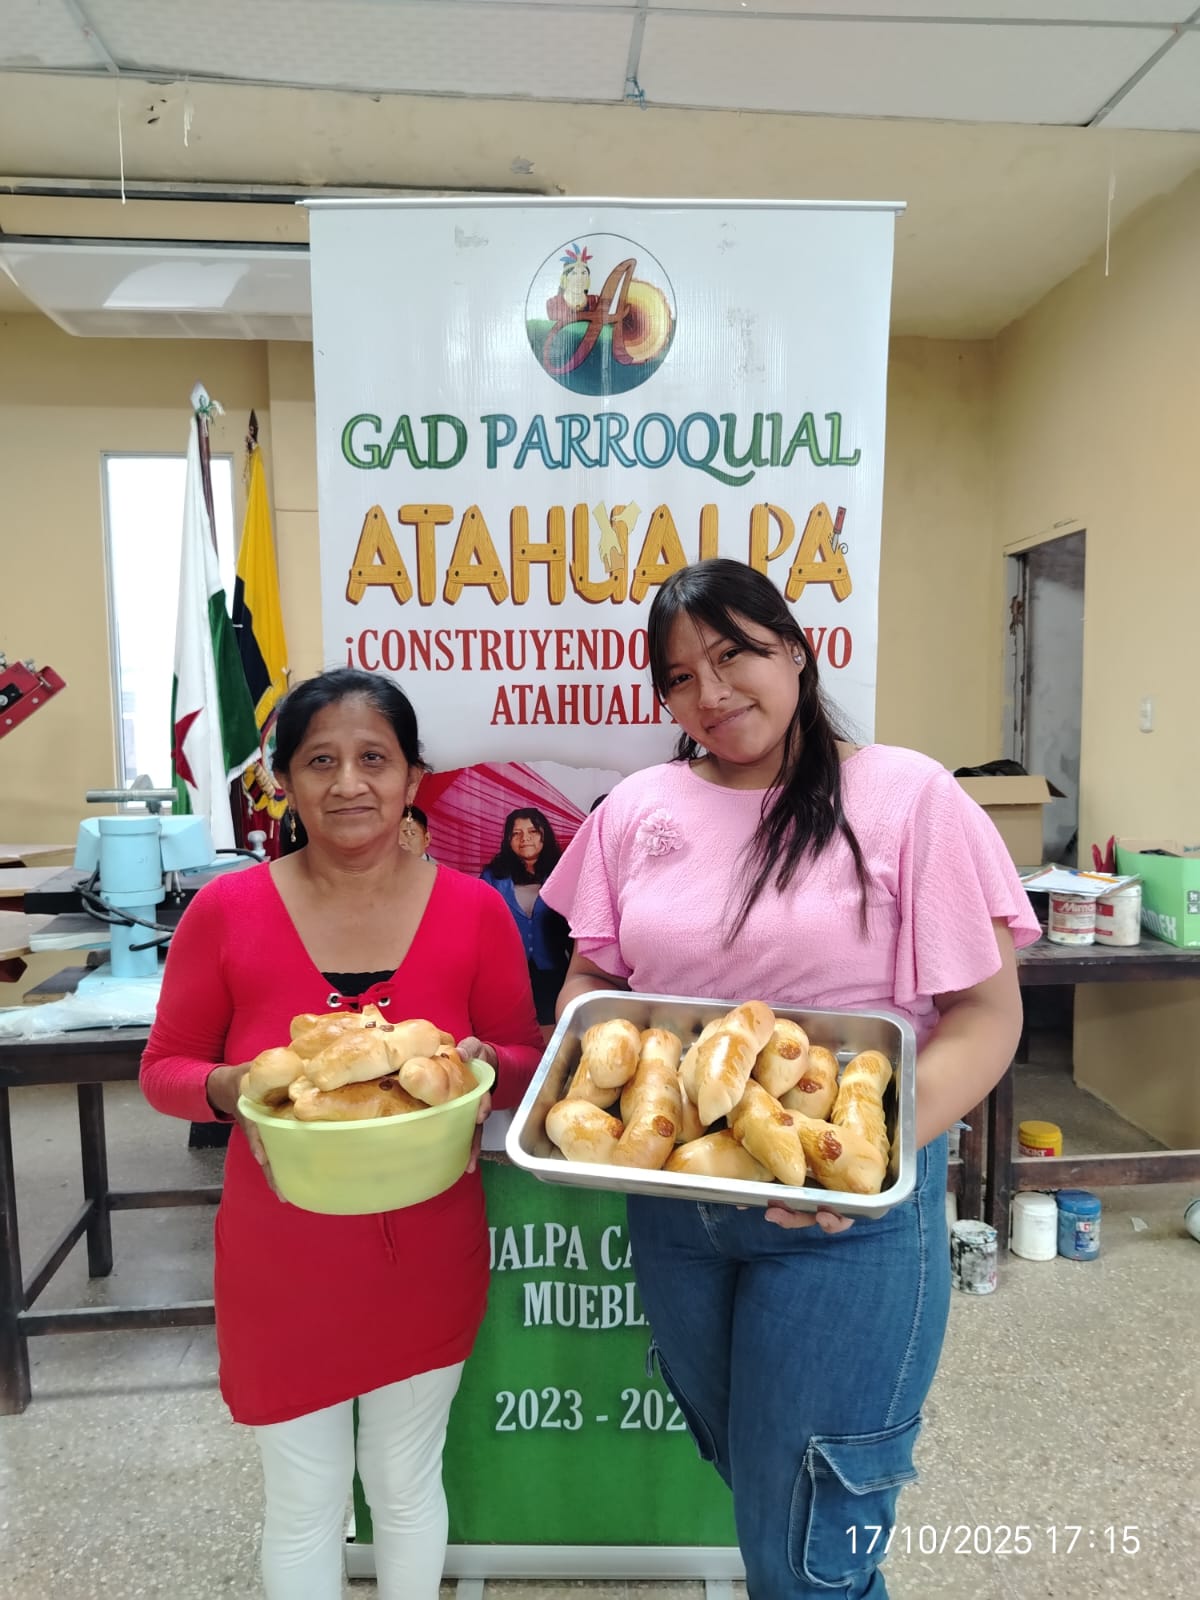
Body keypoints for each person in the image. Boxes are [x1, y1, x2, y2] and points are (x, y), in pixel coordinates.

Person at [541, 559, 1040, 1600]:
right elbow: (595, 981)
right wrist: (583, 1071)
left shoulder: (907, 797)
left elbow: (988, 1017)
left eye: (736, 655)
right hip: (676, 1205)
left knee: (807, 1549)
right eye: (680, 677)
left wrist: (862, 1166)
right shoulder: (637, 809)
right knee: (761, 1488)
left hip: (845, 1219)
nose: (711, 693)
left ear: (798, 652)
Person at [141, 668, 543, 1600]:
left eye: (374, 758)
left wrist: (486, 1067)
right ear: (283, 780)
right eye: (320, 761)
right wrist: (231, 1086)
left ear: (412, 778)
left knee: (406, 1481)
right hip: (282, 1256)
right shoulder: (226, 912)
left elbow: (524, 1056)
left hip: (427, 1248)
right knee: (304, 1497)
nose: (349, 783)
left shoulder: (475, 910)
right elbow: (164, 1071)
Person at [480, 807, 573, 1030]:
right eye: (516, 833)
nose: (525, 839)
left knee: (552, 1033)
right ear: (508, 839)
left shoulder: (563, 873)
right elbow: (480, 927)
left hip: (553, 973)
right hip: (506, 975)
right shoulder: (492, 877)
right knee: (511, 1032)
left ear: (544, 835)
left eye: (532, 831)